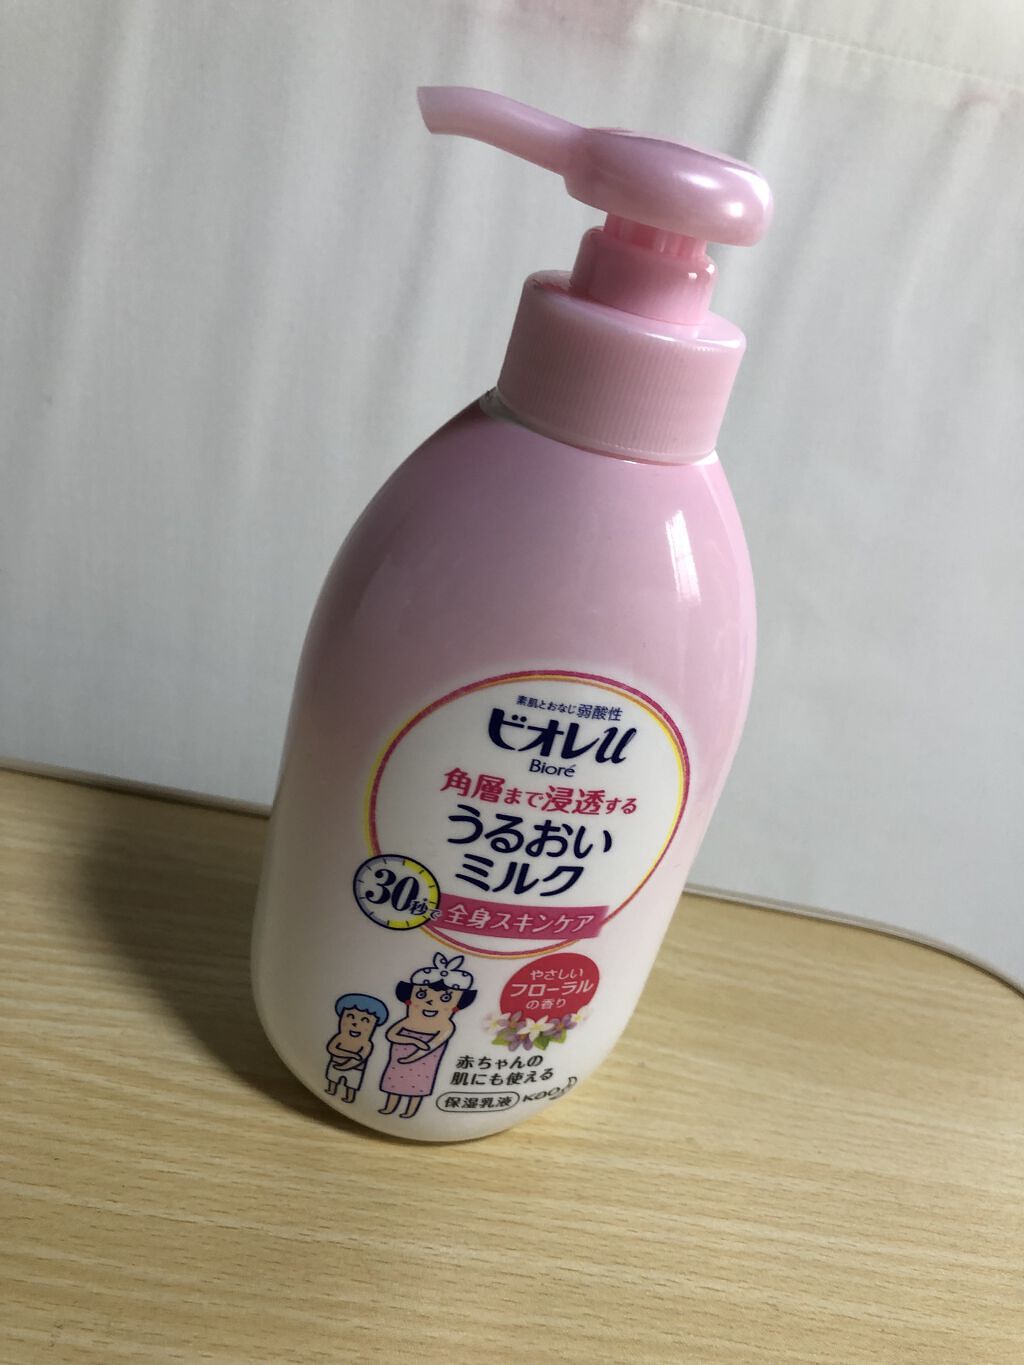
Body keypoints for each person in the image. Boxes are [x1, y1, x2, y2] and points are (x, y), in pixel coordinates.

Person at [379, 953, 477, 1119]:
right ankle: (389, 1107)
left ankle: (410, 1111)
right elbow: (391, 1035)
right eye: (421, 995)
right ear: (409, 999)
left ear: (456, 1006)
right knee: (393, 1084)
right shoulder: (407, 1021)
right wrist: (413, 1041)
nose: (431, 1002)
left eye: (445, 998)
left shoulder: (446, 1026)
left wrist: (412, 1057)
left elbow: (432, 1046)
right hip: (399, 1060)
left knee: (418, 1087)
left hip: (422, 1063)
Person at [324, 993, 388, 1102]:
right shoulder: (339, 1037)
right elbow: (331, 1049)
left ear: (374, 1025)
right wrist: (351, 1055)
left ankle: (349, 1098)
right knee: (333, 1079)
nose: (355, 1023)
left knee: (351, 1085)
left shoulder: (366, 1044)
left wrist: (345, 1066)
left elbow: (360, 1058)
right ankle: (331, 1090)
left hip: (355, 1069)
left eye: (365, 1020)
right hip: (335, 1063)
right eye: (350, 1016)